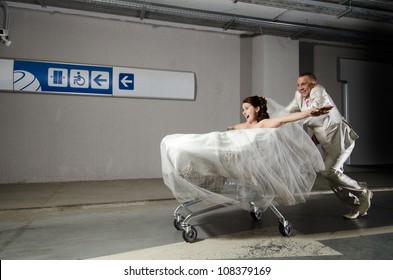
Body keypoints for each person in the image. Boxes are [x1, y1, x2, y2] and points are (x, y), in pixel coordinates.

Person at [161, 96, 331, 213]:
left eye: (246, 108)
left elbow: (287, 118)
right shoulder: (244, 126)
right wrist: (231, 129)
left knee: (208, 143)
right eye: (243, 109)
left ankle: (184, 150)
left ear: (257, 108)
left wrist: (310, 112)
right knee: (209, 139)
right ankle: (181, 149)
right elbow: (230, 130)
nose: (244, 112)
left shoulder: (264, 124)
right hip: (227, 146)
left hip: (241, 157)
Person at [286, 72, 372, 219]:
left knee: (329, 172)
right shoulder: (298, 96)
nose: (300, 88)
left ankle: (362, 190)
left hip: (341, 141)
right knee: (332, 179)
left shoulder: (319, 91)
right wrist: (270, 118)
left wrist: (296, 119)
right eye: (298, 84)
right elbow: (288, 111)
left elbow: (313, 111)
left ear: (313, 84)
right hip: (327, 143)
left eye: (304, 84)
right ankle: (356, 204)